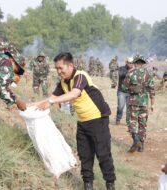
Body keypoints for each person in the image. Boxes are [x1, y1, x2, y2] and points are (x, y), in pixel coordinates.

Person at [35, 52, 116, 190]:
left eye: (61, 68)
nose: (59, 72)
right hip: (83, 122)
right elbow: (50, 98)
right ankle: (87, 185)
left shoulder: (80, 75)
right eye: (57, 68)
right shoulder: (62, 83)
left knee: (103, 154)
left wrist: (52, 101)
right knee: (84, 155)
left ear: (70, 65)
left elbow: (75, 93)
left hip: (98, 120)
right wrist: (29, 106)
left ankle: (110, 184)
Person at [123, 55, 155, 153]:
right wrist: (152, 104)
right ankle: (141, 146)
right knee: (142, 123)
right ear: (142, 63)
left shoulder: (131, 73)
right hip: (144, 103)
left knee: (131, 121)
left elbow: (124, 87)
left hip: (133, 102)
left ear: (135, 63)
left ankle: (136, 140)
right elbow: (152, 90)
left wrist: (131, 89)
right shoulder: (148, 74)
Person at [115, 57, 133, 125]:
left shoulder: (134, 70)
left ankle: (128, 121)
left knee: (129, 108)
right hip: (121, 91)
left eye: (132, 63)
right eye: (130, 63)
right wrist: (129, 72)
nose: (131, 64)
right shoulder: (122, 68)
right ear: (127, 62)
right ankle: (118, 119)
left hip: (130, 92)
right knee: (120, 106)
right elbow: (121, 74)